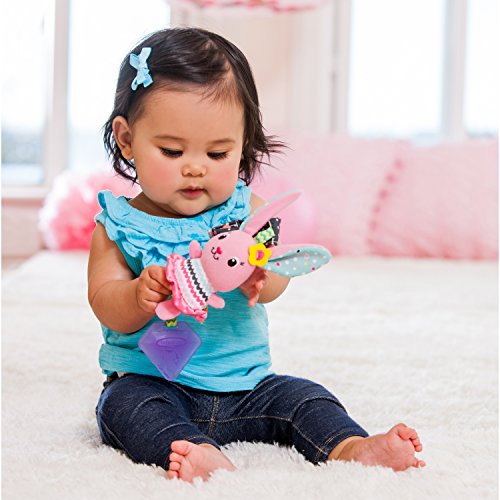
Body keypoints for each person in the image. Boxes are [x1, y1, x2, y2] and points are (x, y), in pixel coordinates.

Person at [88, 27, 425, 483]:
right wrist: (137, 295)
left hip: (248, 388)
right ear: (127, 139)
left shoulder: (249, 213)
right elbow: (103, 300)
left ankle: (350, 445)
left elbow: (275, 283)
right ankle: (195, 451)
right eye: (172, 150)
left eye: (218, 152)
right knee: (124, 408)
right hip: (155, 383)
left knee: (304, 397)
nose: (195, 167)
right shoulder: (118, 225)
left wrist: (260, 277)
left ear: (243, 143)